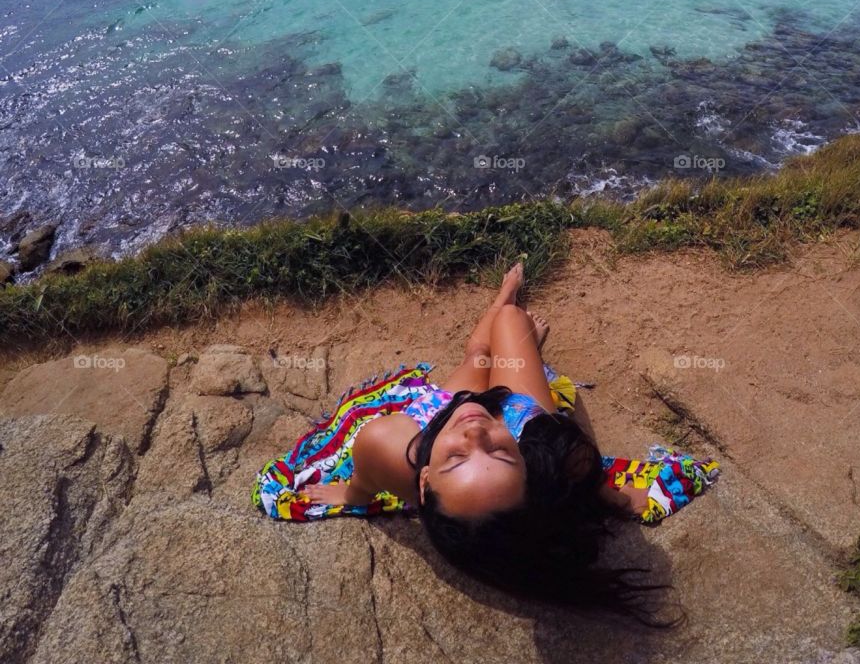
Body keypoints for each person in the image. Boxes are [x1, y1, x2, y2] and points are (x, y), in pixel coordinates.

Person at [252, 262, 719, 618]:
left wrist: (352, 495)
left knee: (478, 353)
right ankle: (510, 317)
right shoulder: (549, 454)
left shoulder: (390, 444)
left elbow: (364, 485)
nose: (474, 431)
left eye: (458, 458)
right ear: (529, 471)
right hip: (518, 418)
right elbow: (582, 483)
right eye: (498, 453)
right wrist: (618, 498)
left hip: (439, 416)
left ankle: (504, 304)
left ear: (424, 482)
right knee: (509, 323)